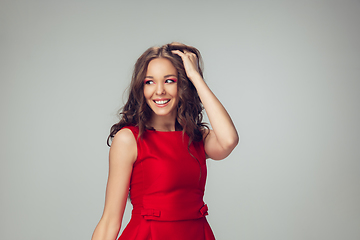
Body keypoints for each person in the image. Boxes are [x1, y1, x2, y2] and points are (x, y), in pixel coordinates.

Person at [91, 42, 239, 240]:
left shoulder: (197, 137)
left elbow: (229, 140)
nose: (159, 91)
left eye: (169, 81)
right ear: (140, 88)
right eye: (149, 82)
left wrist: (195, 76)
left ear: (183, 84)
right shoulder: (128, 139)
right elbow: (110, 221)